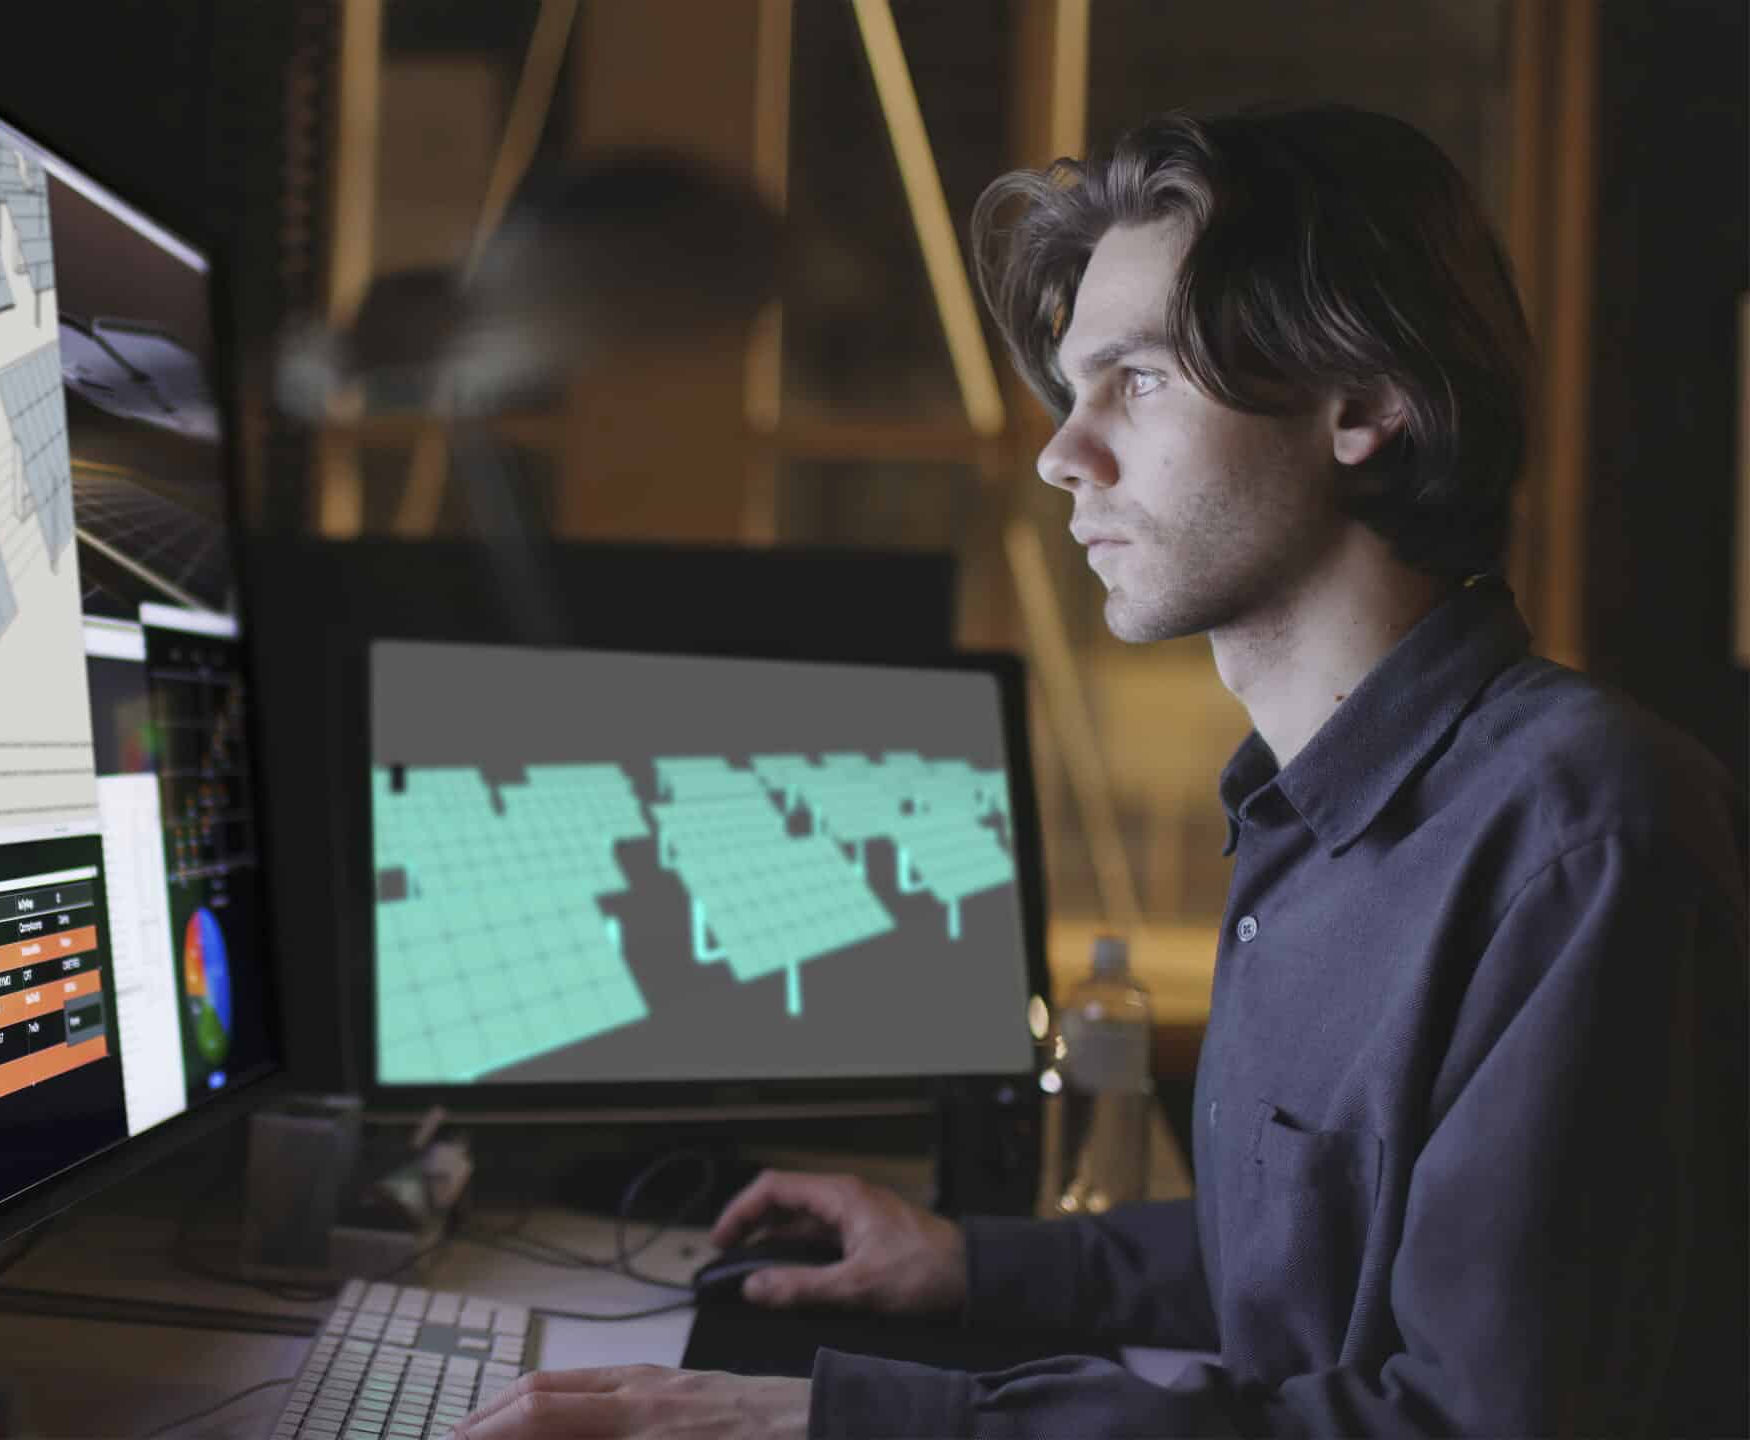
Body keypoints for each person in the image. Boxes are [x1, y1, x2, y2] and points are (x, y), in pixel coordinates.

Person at [453, 103, 1747, 1439]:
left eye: (1139, 379)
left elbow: (1467, 1424)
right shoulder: (1299, 812)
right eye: (1074, 389)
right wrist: (971, 1262)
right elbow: (1304, 1263)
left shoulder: (1586, 836)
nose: (1062, 453)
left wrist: (825, 1423)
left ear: (1364, 402)